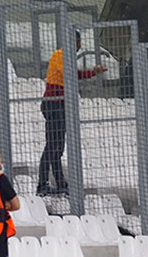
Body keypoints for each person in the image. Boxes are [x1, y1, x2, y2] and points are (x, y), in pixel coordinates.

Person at [38, 31, 105, 195]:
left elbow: (73, 75)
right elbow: (69, 75)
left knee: (58, 146)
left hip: (60, 104)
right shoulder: (60, 55)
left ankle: (60, 182)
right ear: (75, 42)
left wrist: (93, 72)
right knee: (53, 145)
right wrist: (90, 72)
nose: (80, 45)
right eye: (79, 42)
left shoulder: (66, 57)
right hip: (54, 104)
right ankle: (42, 184)